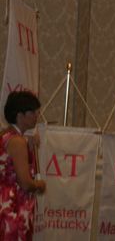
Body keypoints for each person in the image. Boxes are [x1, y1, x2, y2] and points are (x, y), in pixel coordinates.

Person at [0, 90, 46, 240]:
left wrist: (29, 146)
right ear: (20, 116)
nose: (36, 116)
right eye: (32, 112)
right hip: (13, 210)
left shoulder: (6, 135)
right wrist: (40, 185)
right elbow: (25, 183)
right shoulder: (17, 142)